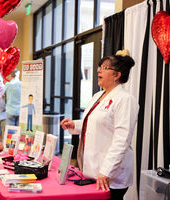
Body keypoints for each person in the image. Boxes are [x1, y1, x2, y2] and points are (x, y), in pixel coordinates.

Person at [60, 50, 139, 200]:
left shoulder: (125, 99)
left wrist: (107, 171)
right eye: (99, 66)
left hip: (111, 174)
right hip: (93, 168)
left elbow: (122, 140)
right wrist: (74, 125)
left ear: (117, 75)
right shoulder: (98, 95)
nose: (98, 70)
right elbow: (93, 122)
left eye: (104, 67)